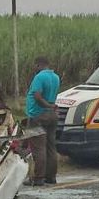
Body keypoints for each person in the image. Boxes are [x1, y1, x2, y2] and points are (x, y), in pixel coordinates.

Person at [25, 57, 61, 186]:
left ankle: (38, 178)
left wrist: (47, 106)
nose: (34, 68)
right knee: (51, 146)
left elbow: (37, 96)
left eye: (35, 65)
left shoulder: (39, 77)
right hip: (52, 116)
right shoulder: (56, 77)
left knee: (38, 148)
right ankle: (51, 177)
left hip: (38, 115)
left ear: (39, 64)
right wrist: (51, 107)